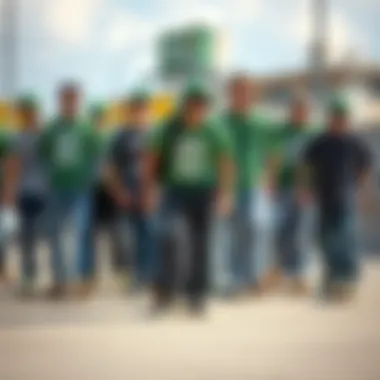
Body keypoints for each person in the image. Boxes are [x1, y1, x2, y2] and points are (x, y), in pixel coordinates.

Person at [144, 82, 234, 314]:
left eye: (202, 106)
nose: (197, 111)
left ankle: (197, 296)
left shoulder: (214, 129)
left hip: (204, 192)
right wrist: (150, 190)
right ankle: (167, 290)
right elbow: (152, 159)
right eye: (193, 106)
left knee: (201, 244)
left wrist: (225, 194)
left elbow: (225, 162)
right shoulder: (169, 128)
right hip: (176, 191)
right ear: (184, 106)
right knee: (172, 236)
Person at [302, 96, 371, 301]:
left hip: (346, 197)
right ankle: (331, 279)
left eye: (342, 117)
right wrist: (306, 189)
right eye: (335, 117)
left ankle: (347, 280)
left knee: (345, 238)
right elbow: (307, 166)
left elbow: (365, 167)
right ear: (329, 118)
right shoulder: (320, 143)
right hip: (323, 197)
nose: (338, 120)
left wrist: (360, 188)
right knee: (326, 239)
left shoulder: (354, 143)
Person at [39, 83, 100, 298]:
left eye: (73, 98)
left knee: (79, 234)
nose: (70, 103)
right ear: (60, 100)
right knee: (56, 233)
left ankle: (82, 279)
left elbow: (96, 158)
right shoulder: (52, 129)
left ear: (79, 100)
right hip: (57, 188)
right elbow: (43, 156)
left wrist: (89, 180)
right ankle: (60, 280)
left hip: (80, 189)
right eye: (66, 98)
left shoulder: (87, 129)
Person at [222, 74, 276, 296]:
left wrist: (268, 179)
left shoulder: (261, 122)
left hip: (254, 185)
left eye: (245, 91)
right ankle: (236, 278)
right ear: (230, 94)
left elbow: (273, 154)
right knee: (234, 232)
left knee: (257, 227)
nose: (242, 95)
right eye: (237, 91)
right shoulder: (222, 122)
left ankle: (255, 276)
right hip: (229, 186)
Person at [107, 90, 154, 291]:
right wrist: (118, 191)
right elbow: (110, 167)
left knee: (149, 235)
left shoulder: (155, 135)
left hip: (149, 192)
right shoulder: (120, 137)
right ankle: (133, 276)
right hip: (127, 192)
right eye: (135, 109)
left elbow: (161, 167)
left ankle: (148, 275)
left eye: (142, 109)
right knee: (127, 239)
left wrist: (154, 192)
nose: (138, 113)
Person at [272, 96, 315, 294]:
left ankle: (300, 274)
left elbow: (317, 165)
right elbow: (273, 159)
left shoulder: (314, 133)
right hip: (283, 188)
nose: (299, 113)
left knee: (302, 233)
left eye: (303, 109)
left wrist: (308, 188)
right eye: (296, 108)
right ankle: (281, 270)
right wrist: (271, 184)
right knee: (281, 232)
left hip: (306, 190)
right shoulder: (281, 132)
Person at [11, 96, 48, 296]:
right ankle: (30, 276)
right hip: (26, 192)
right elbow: (13, 167)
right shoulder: (18, 138)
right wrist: (10, 193)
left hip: (46, 192)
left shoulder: (47, 136)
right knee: (28, 237)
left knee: (50, 236)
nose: (29, 115)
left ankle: (55, 277)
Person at [0, 126, 16, 281]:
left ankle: (2, 268)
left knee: (2, 234)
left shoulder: (3, 137)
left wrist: (9, 192)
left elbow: (11, 164)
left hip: (2, 194)